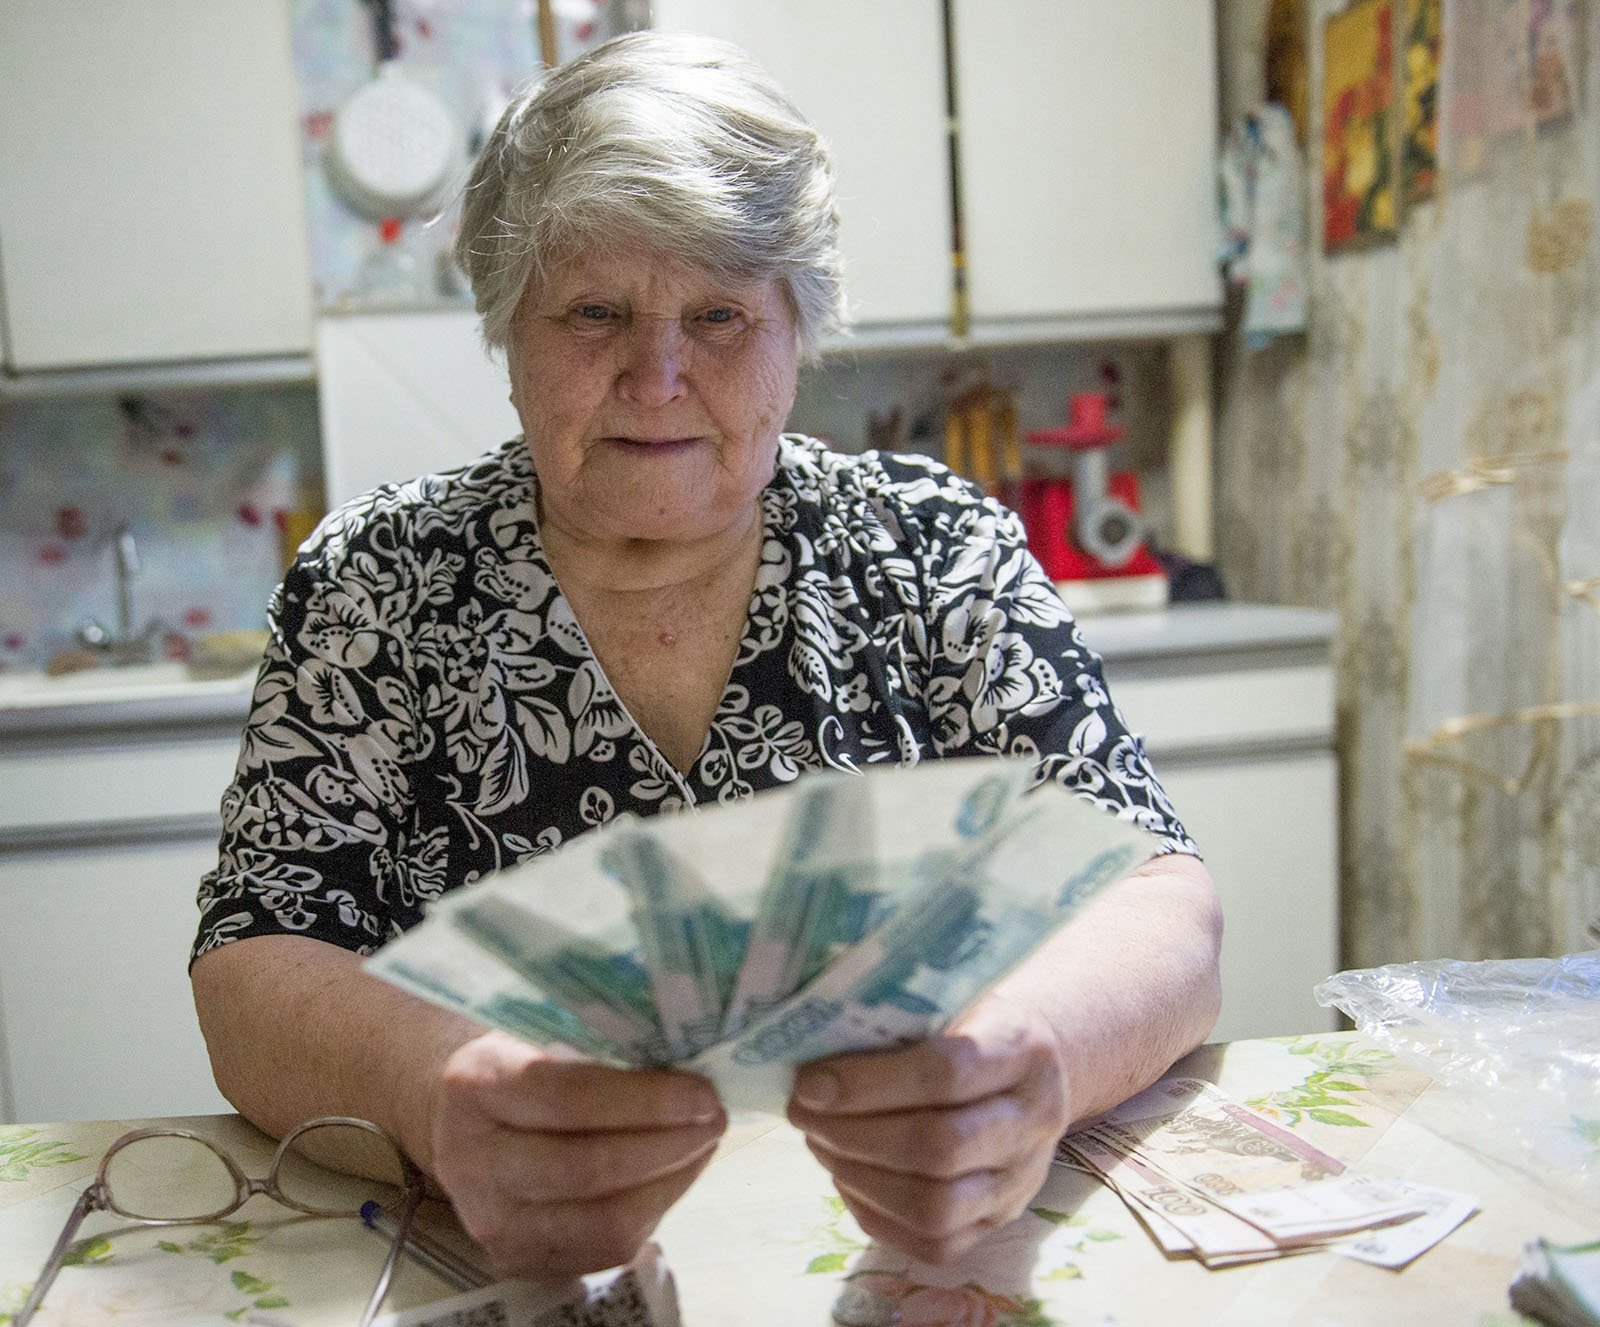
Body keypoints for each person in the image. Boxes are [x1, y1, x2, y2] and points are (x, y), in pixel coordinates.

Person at [191, 30, 1221, 1280]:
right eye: (595, 313)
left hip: (904, 1257)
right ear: (510, 329)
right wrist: (432, 1089)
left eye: (721, 314)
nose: (658, 375)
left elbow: (1158, 897)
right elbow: (257, 956)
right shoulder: (379, 580)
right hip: (507, 1265)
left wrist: (1034, 1058)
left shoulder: (934, 550)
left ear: (798, 328)